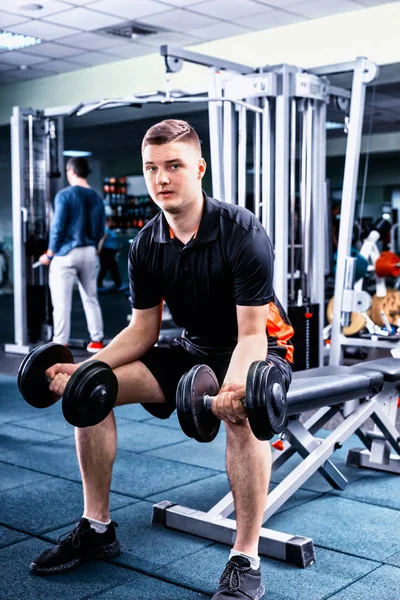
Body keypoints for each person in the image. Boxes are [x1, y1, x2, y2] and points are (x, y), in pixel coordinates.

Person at [31, 120, 294, 599]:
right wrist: (88, 368)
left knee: (244, 415)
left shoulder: (242, 233)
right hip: (192, 349)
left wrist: (230, 392)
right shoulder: (146, 244)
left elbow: (253, 334)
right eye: (152, 168)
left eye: (174, 166)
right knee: (92, 392)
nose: (161, 179)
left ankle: (245, 557)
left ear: (199, 168)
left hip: (259, 347)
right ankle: (97, 528)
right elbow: (143, 330)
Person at [39, 157, 106, 353]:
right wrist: (94, 248)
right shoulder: (97, 198)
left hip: (66, 254)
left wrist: (49, 254)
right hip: (89, 252)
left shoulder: (64, 195)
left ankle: (60, 344)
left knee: (61, 303)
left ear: (70, 171)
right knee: (91, 298)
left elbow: (58, 227)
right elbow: (101, 230)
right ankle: (97, 341)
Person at [97, 217, 122, 290]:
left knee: (109, 268)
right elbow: (102, 240)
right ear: (109, 221)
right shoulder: (105, 230)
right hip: (106, 252)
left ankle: (117, 283)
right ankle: (117, 283)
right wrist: (99, 250)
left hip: (111, 252)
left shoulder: (110, 230)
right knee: (108, 268)